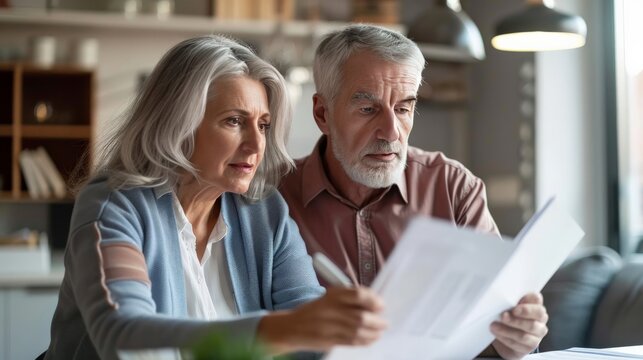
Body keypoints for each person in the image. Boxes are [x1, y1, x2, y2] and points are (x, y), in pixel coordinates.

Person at [44, 35, 387, 360]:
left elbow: (308, 331)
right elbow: (123, 333)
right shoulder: (114, 206)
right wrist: (278, 330)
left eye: (263, 125)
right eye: (235, 121)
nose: (256, 145)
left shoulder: (265, 213)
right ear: (178, 124)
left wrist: (338, 330)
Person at [279, 24, 548, 359]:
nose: (391, 132)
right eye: (367, 109)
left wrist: (519, 336)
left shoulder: (453, 188)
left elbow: (496, 318)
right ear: (322, 113)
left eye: (404, 108)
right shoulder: (273, 197)